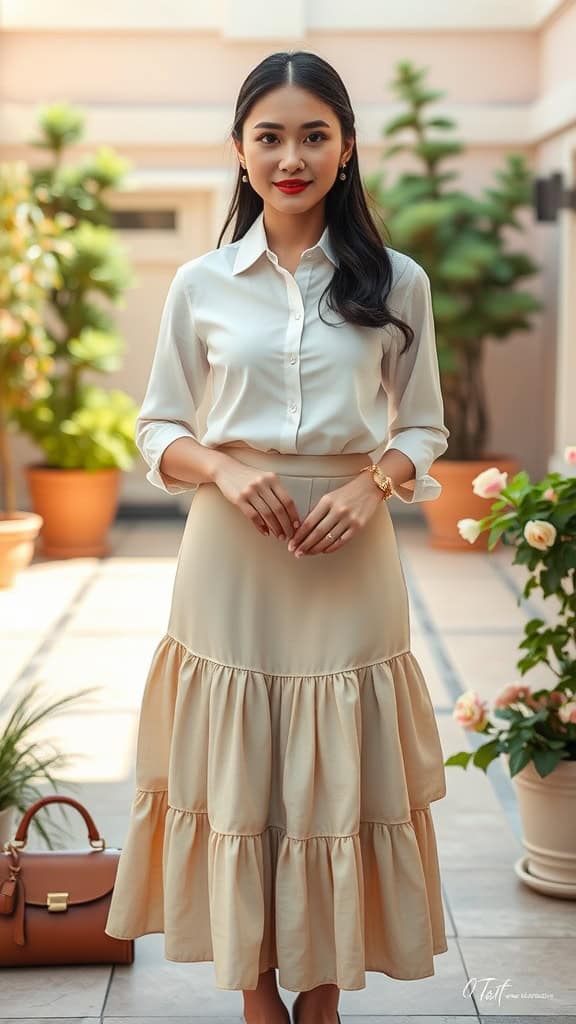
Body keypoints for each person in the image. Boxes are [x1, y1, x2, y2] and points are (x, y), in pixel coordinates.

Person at [105, 49, 450, 1024]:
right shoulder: (200, 283)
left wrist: (374, 482)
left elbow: (422, 427)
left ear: (345, 150)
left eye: (313, 135)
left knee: (338, 772)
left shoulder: (398, 282)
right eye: (270, 137)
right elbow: (158, 428)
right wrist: (221, 466)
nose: (290, 155)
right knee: (239, 770)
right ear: (240, 152)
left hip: (350, 559)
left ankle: (325, 991)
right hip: (231, 557)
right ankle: (257, 992)